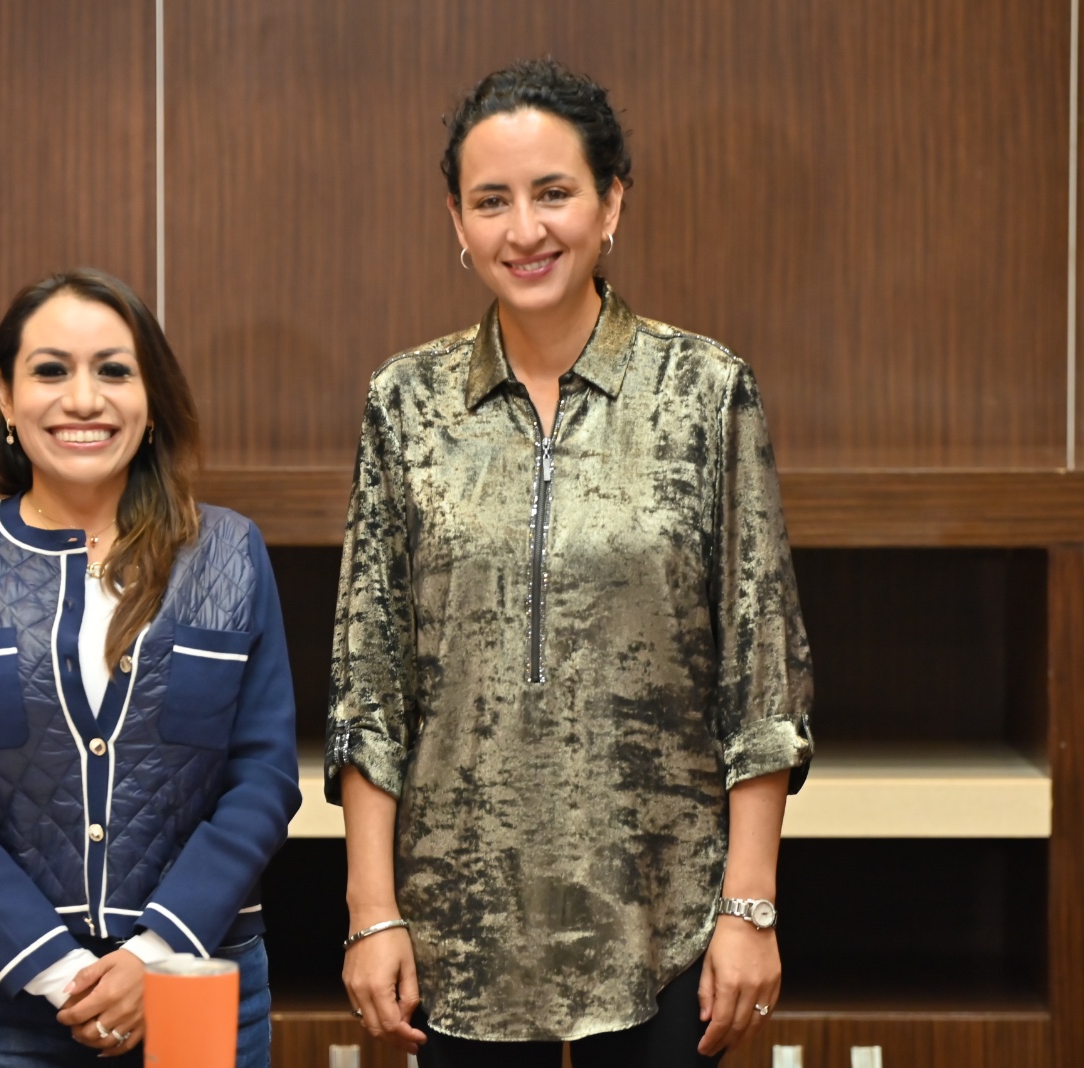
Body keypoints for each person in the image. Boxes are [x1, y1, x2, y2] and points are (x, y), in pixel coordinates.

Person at [327, 58, 813, 1067]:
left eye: (554, 192)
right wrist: (371, 911)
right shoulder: (405, 403)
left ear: (611, 202)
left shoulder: (703, 391)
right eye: (490, 201)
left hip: (666, 928)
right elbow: (368, 686)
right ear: (457, 222)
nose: (524, 230)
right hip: (456, 934)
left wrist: (749, 907)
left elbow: (760, 674)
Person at [0, 268, 301, 1067]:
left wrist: (154, 955)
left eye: (113, 370)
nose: (83, 399)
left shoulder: (228, 552)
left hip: (198, 983)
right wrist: (58, 970)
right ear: (6, 398)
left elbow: (264, 779)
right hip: (3, 1003)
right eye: (50, 371)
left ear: (152, 399)